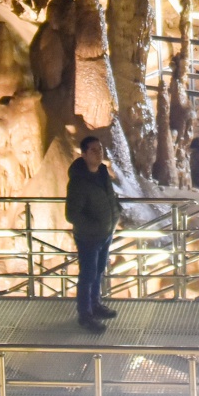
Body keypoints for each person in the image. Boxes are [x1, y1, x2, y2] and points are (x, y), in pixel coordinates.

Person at [65, 135, 121, 332]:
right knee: (87, 276)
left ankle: (95, 305)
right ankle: (85, 314)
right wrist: (93, 226)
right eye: (94, 150)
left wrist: (116, 213)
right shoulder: (78, 182)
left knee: (98, 272)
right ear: (84, 154)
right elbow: (72, 214)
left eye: (100, 149)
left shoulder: (103, 172)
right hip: (89, 237)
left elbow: (109, 196)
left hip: (105, 232)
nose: (99, 153)